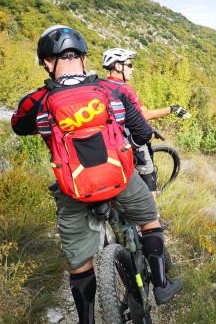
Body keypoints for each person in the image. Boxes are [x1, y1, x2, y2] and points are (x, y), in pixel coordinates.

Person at [11, 25, 183, 324]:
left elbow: (19, 126)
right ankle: (162, 284)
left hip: (73, 187)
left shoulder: (36, 100)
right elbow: (142, 133)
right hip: (118, 178)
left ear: (47, 62)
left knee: (80, 262)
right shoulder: (113, 90)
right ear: (85, 59)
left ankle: (87, 319)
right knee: (149, 218)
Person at [101, 47, 188, 199]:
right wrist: (172, 109)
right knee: (149, 179)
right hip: (130, 142)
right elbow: (144, 115)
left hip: (107, 141)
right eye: (129, 65)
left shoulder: (100, 86)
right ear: (117, 66)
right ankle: (152, 215)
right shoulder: (125, 89)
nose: (132, 69)